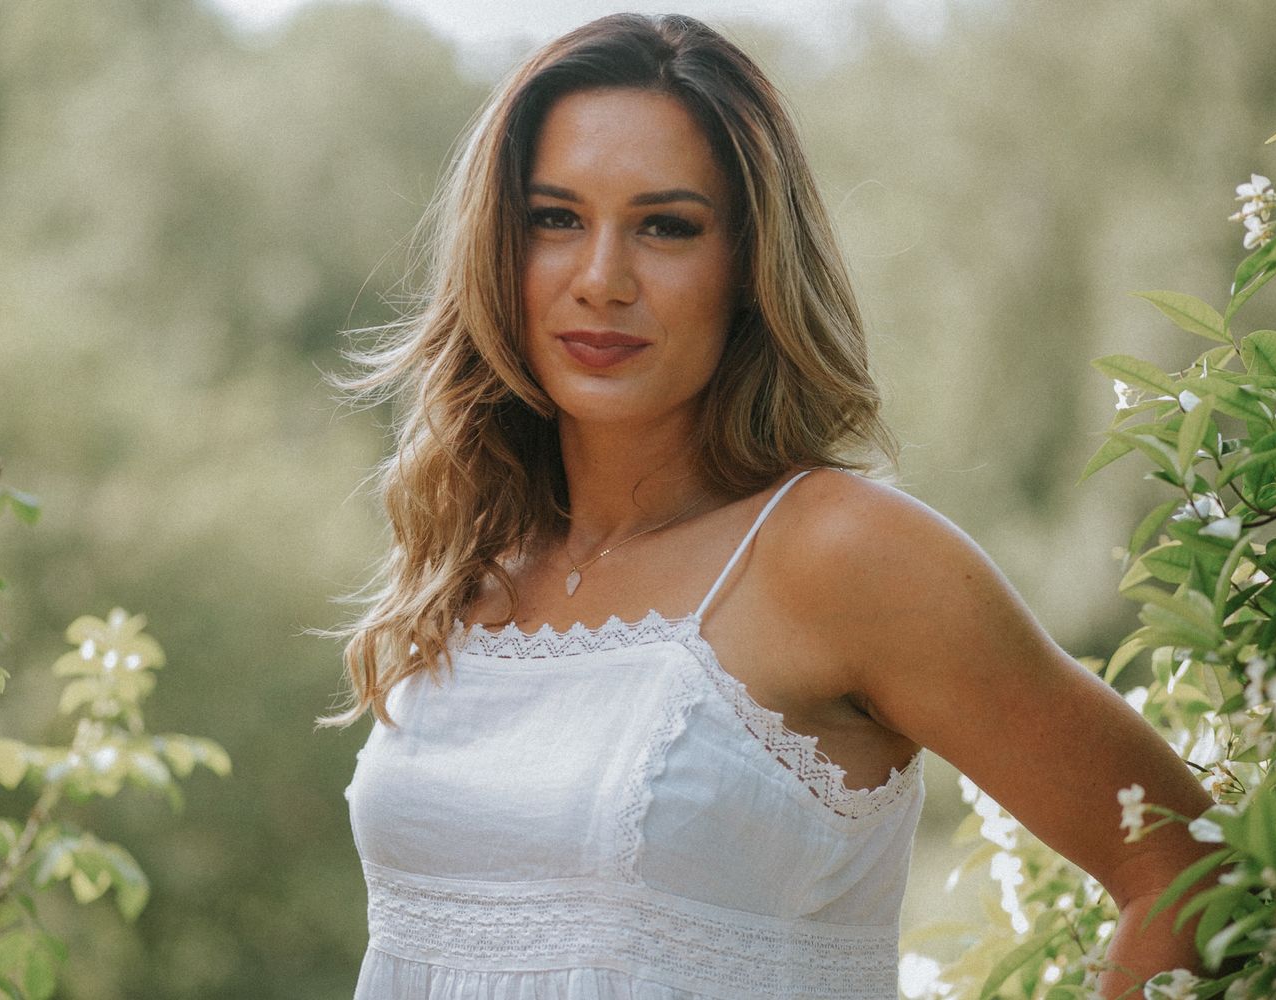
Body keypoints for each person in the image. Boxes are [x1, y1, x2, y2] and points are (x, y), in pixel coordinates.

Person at [319, 12, 1221, 999]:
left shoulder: (840, 554)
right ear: (498, 248)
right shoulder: (473, 560)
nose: (601, 279)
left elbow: (1191, 876)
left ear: (748, 267)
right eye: (555, 219)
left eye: (666, 226)